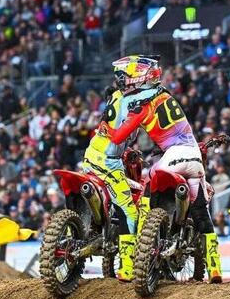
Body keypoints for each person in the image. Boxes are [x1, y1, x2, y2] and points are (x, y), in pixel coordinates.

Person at [101, 55, 222, 283]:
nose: (123, 83)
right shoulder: (165, 95)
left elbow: (118, 137)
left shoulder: (141, 105)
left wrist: (106, 128)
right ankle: (215, 269)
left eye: (126, 78)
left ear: (139, 79)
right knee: (200, 212)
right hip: (194, 157)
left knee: (148, 190)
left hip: (173, 155)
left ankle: (139, 252)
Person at [82, 82, 159, 282]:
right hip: (108, 162)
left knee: (110, 199)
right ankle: (127, 267)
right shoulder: (132, 104)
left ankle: (99, 228)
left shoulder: (116, 97)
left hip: (91, 155)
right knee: (129, 212)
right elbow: (121, 135)